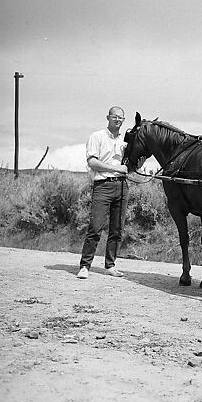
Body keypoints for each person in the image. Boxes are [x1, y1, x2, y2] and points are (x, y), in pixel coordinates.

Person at [77, 106, 130, 279]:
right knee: (95, 227)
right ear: (108, 117)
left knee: (117, 229)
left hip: (122, 186)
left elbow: (129, 165)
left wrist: (134, 165)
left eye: (121, 118)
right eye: (115, 117)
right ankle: (85, 266)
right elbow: (92, 162)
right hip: (103, 186)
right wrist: (116, 169)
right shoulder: (97, 136)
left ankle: (110, 265)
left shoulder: (126, 141)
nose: (118, 120)